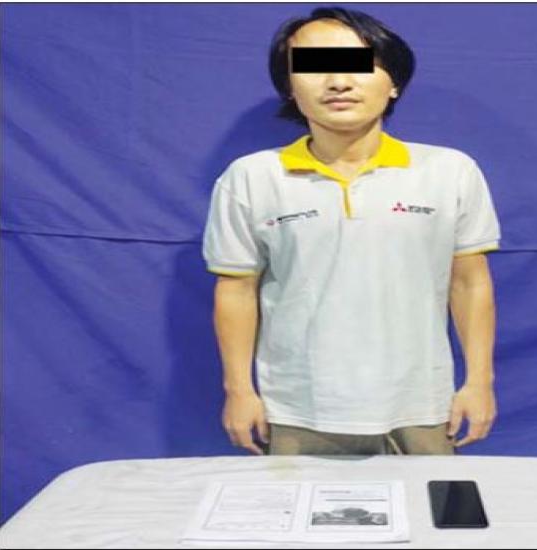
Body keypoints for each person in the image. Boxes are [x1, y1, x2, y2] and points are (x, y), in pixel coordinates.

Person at [202, 7, 501, 456]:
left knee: (429, 503)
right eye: (313, 66)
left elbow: (470, 282)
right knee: (299, 505)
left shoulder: (449, 171)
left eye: (358, 64)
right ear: (290, 87)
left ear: (394, 81)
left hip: (422, 405)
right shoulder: (251, 178)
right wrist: (239, 391)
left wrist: (479, 382)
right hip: (298, 409)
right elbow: (236, 290)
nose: (338, 82)